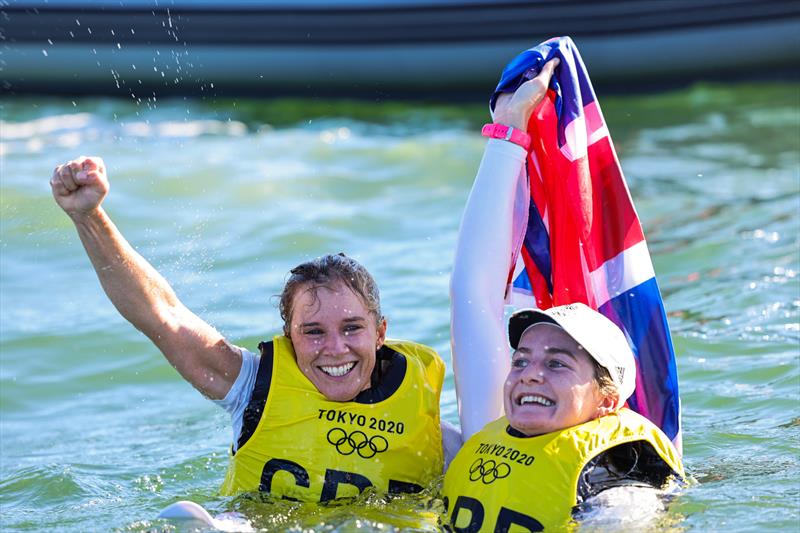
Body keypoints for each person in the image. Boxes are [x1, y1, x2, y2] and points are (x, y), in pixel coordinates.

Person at [49, 158, 455, 503]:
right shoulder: (251, 386)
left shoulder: (430, 424)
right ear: (288, 336)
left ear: (380, 332)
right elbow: (162, 315)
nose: (335, 348)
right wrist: (88, 216)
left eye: (352, 328)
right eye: (313, 332)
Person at [442, 59, 685, 531]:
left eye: (557, 363)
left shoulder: (618, 490)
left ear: (608, 400)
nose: (528, 375)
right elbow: (471, 293)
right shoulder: (485, 439)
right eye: (521, 360)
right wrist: (508, 130)